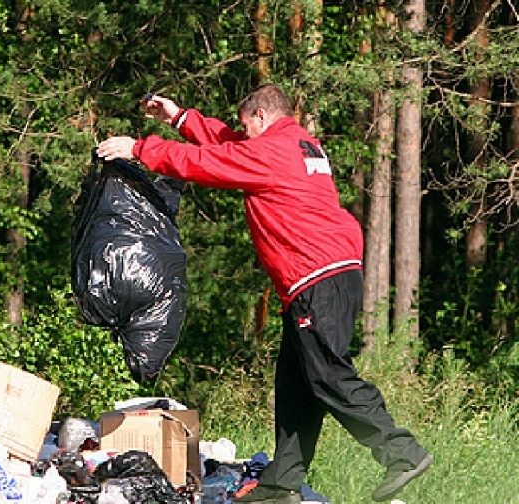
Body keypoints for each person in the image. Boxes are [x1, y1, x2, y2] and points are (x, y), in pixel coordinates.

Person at [96, 84, 432, 504]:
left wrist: (141, 148)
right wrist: (179, 117)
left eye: (245, 124)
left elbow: (208, 163)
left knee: (327, 374)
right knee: (295, 385)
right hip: (323, 276)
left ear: (259, 116)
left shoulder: (272, 153)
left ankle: (401, 452)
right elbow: (230, 146)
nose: (242, 131)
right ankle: (282, 484)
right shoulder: (299, 144)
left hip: (316, 277)